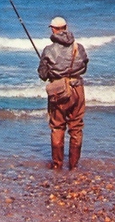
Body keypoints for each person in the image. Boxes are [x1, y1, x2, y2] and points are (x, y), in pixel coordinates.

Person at [37, 16, 88, 170]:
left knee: (58, 126)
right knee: (76, 127)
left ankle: (57, 164)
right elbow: (84, 68)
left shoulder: (48, 50)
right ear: (66, 27)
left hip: (58, 91)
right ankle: (73, 165)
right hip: (77, 89)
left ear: (53, 29)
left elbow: (43, 75)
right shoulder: (78, 47)